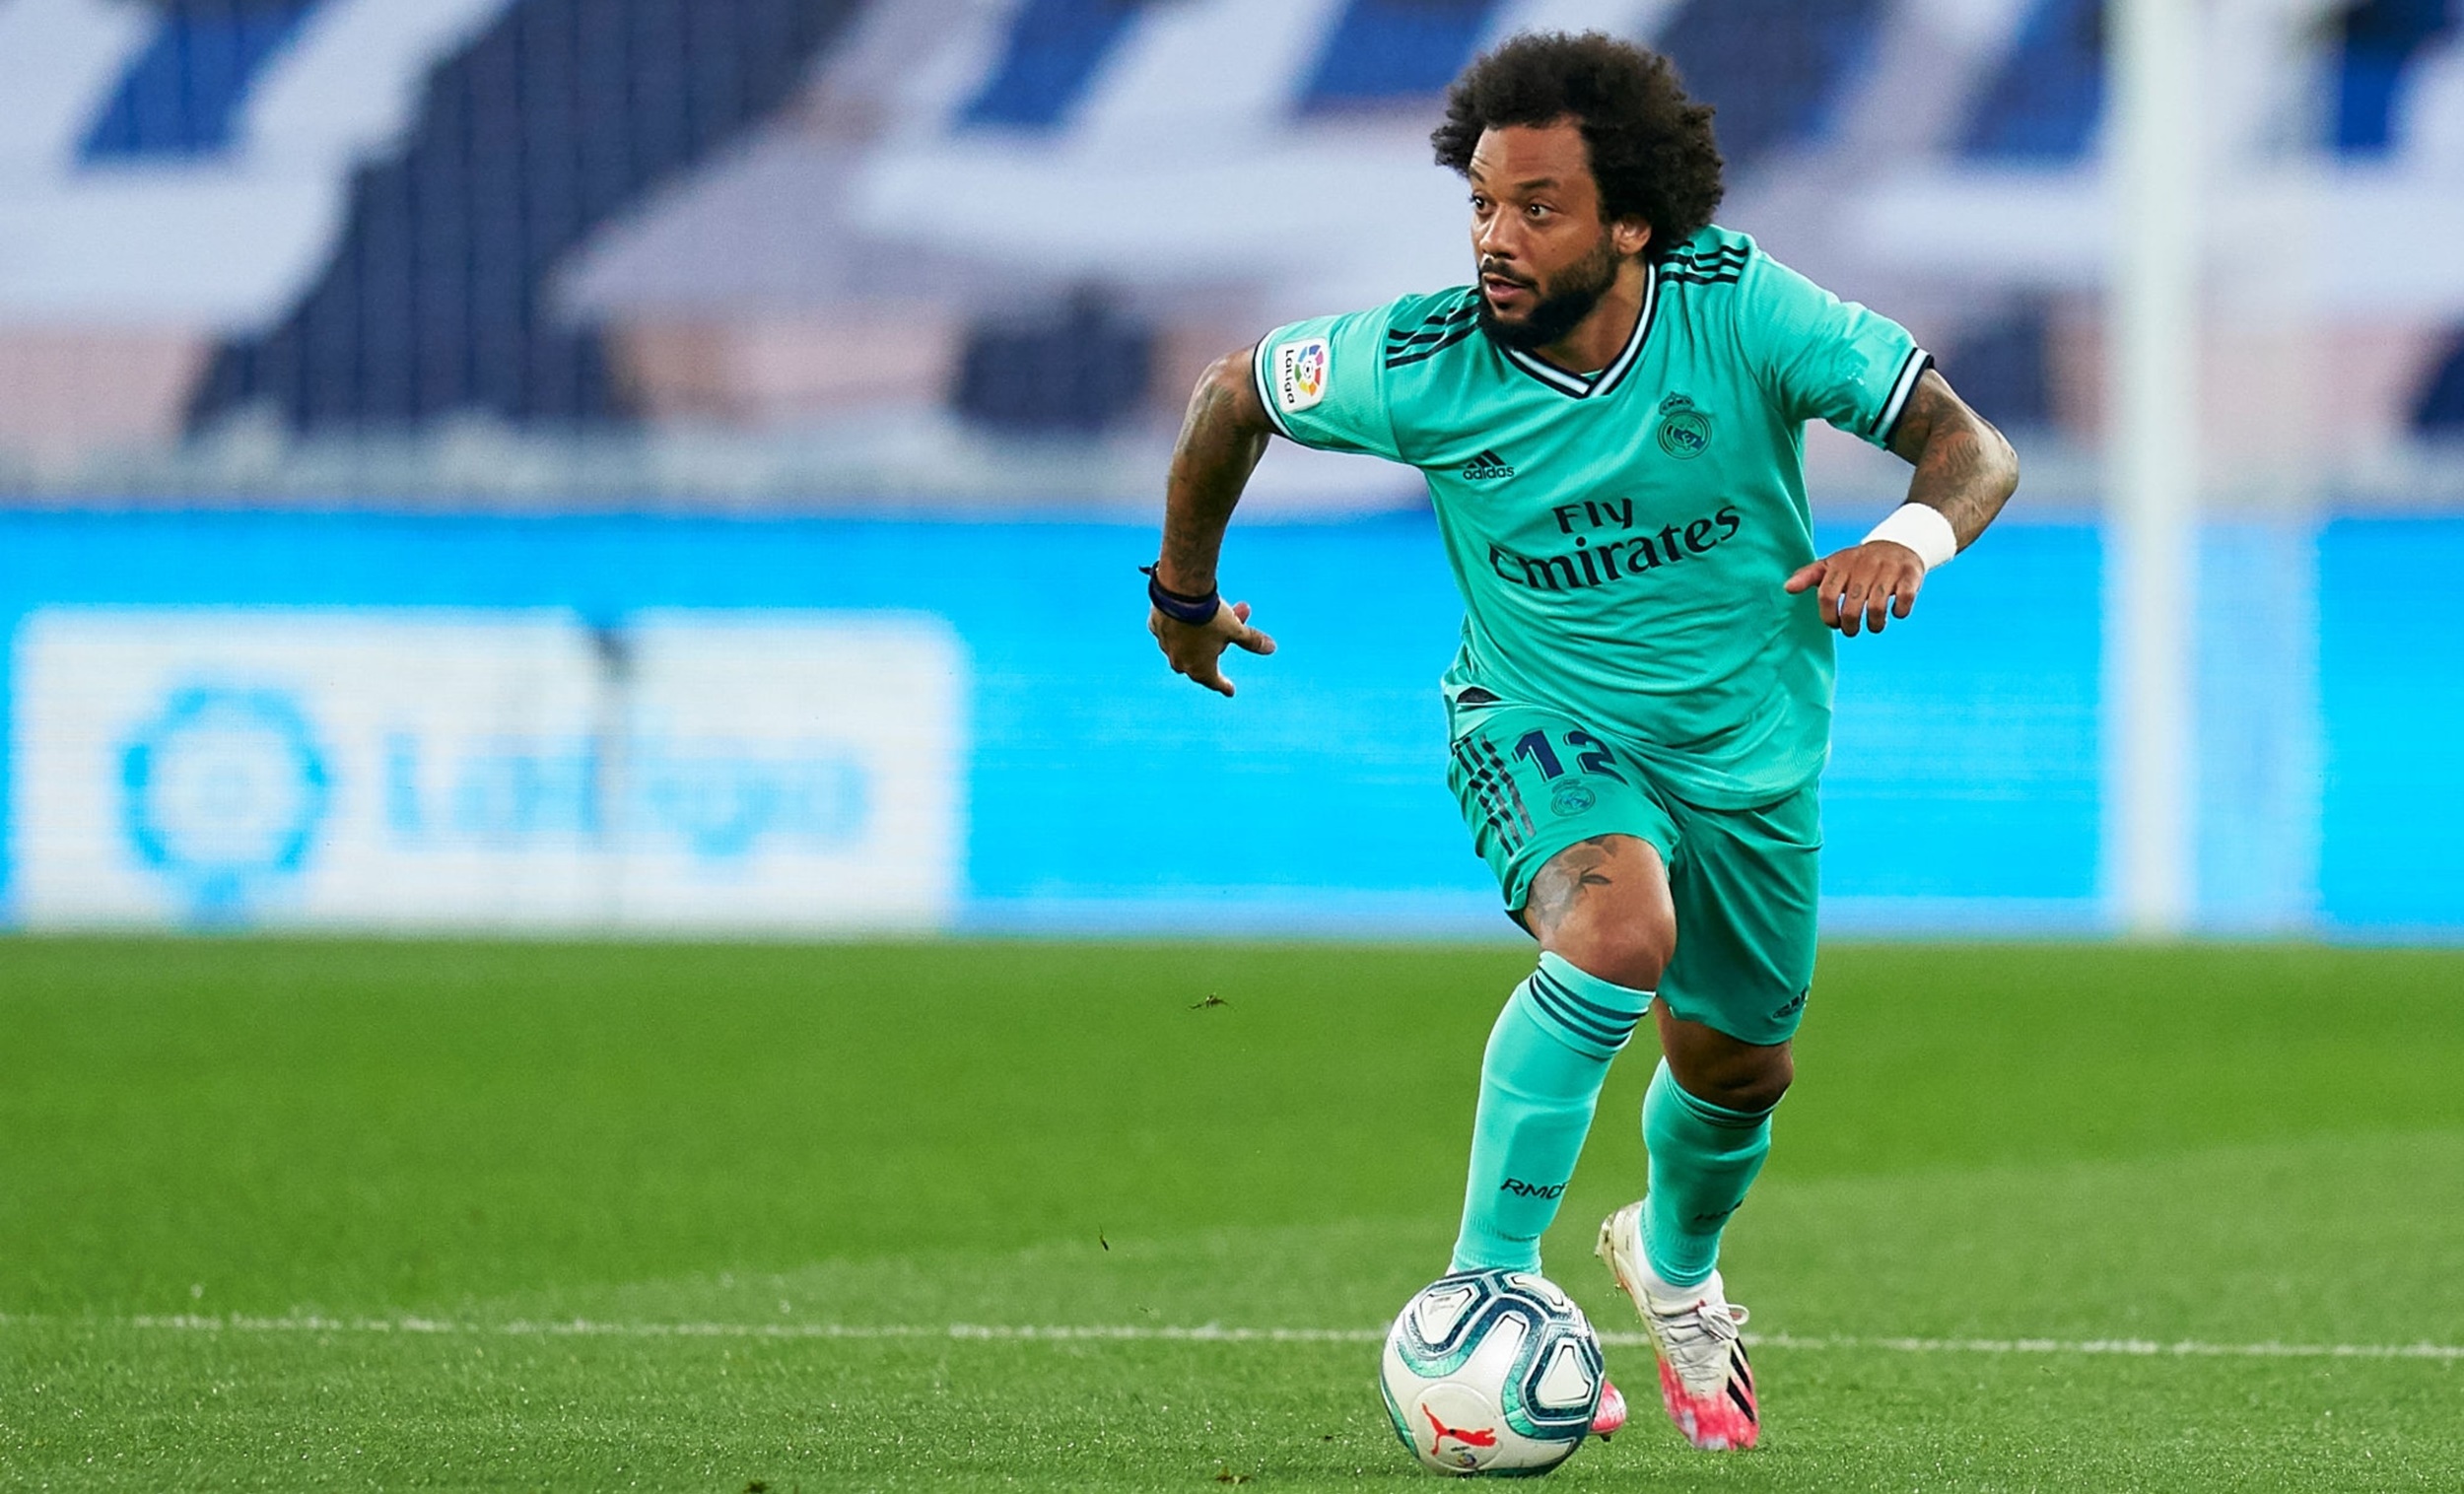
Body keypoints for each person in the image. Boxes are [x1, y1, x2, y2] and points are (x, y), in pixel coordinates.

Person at [1143, 31, 2018, 1453]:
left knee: (1739, 1074)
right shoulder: (1422, 360)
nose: (1496, 238)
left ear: (1632, 224)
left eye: (1537, 208)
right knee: (1618, 931)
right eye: (1482, 202)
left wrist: (1906, 540)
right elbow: (1231, 395)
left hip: (1750, 748)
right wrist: (1182, 598)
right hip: (1539, 718)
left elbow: (1974, 449)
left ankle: (1673, 1267)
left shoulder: (1741, 309)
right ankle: (1486, 1281)